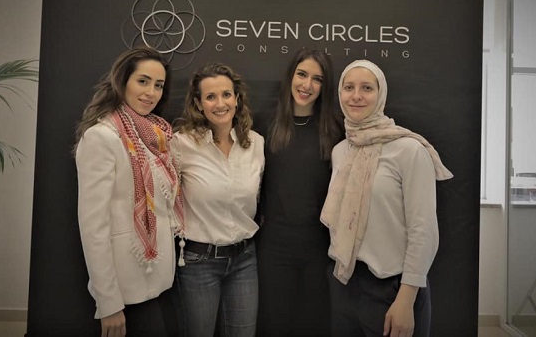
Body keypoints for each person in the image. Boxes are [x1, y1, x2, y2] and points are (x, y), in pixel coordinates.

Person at [320, 60, 453, 337]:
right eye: (349, 87)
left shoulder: (409, 150)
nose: (356, 95)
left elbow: (424, 231)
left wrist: (406, 300)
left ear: (380, 94)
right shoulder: (341, 150)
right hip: (344, 282)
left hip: (394, 289)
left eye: (367, 88)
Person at [74, 47, 183, 337]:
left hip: (156, 282)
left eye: (158, 85)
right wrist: (108, 303)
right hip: (122, 289)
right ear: (122, 81)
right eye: (143, 81)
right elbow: (93, 227)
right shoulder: (101, 137)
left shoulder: (158, 137)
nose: (151, 92)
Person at [255, 48, 344, 337]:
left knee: (313, 324)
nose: (307, 85)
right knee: (274, 324)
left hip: (320, 250)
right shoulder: (264, 123)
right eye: (302, 74)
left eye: (317, 79)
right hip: (273, 247)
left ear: (325, 86)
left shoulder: (336, 130)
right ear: (290, 76)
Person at [172, 62, 265, 337]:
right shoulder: (181, 144)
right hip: (198, 262)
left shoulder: (256, 144)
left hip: (245, 260)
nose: (220, 103)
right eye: (210, 97)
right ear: (199, 104)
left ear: (237, 98)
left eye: (226, 94)